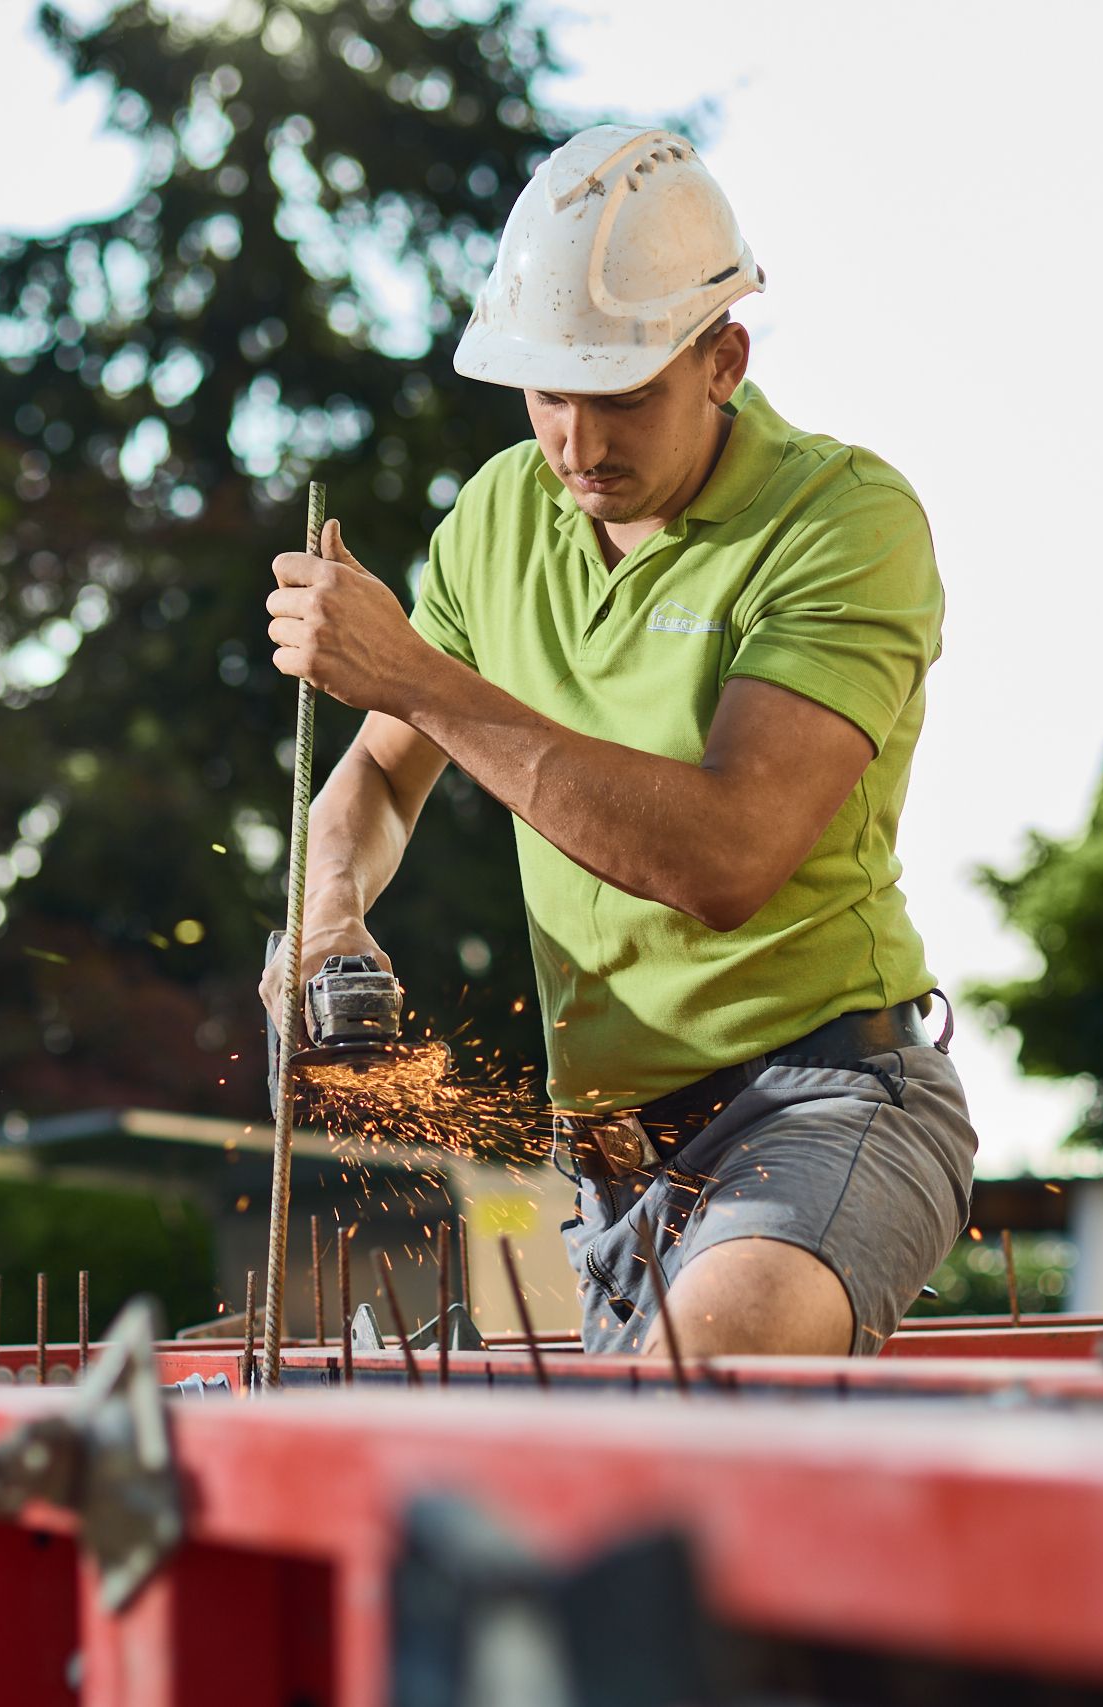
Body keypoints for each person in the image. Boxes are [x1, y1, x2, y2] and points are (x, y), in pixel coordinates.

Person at [260, 125, 974, 1356]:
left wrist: (420, 678)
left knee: (692, 1399)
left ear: (722, 360)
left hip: (825, 1101)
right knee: (648, 1516)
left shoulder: (844, 519)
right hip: (611, 1178)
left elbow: (725, 857)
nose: (580, 448)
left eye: (624, 397)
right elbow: (375, 773)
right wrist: (328, 910)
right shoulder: (497, 514)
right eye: (548, 397)